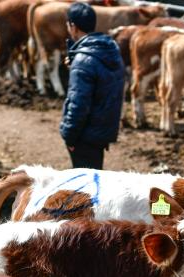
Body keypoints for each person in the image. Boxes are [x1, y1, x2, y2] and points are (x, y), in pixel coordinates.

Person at [59, 2, 125, 170]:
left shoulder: (83, 60)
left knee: (84, 186)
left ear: (73, 26)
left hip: (84, 136)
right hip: (102, 131)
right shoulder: (110, 51)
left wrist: (69, 136)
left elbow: (78, 103)